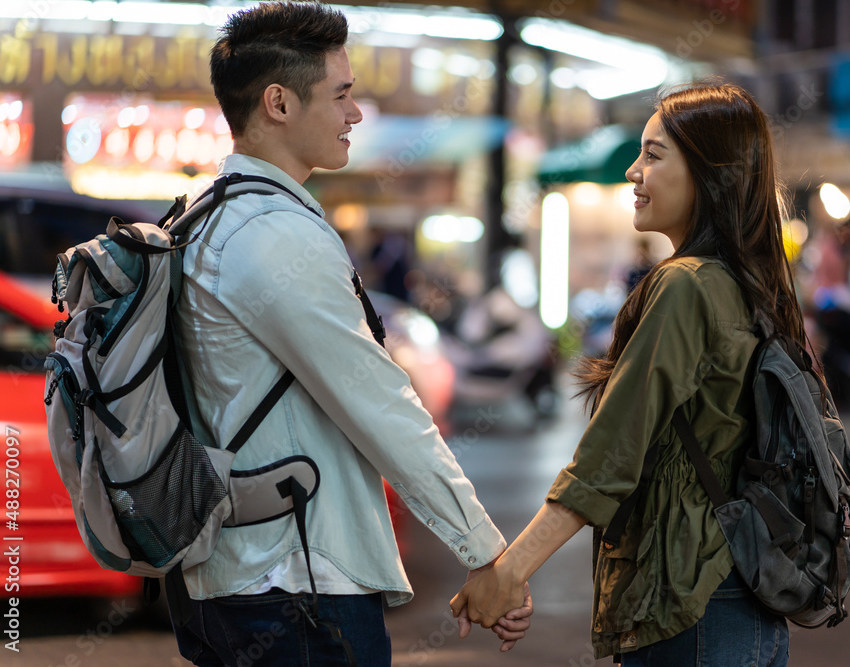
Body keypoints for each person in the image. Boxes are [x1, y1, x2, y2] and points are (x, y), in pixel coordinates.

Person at [171, 3, 530, 665]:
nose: (355, 113)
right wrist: (486, 551)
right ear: (278, 102)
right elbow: (381, 404)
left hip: (230, 578)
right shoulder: (274, 236)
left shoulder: (203, 218)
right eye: (341, 94)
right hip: (296, 588)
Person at [451, 83, 798, 666]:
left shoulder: (686, 285)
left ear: (709, 172)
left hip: (692, 607)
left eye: (655, 154)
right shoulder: (754, 281)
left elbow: (609, 458)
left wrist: (508, 572)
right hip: (745, 596)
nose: (634, 172)